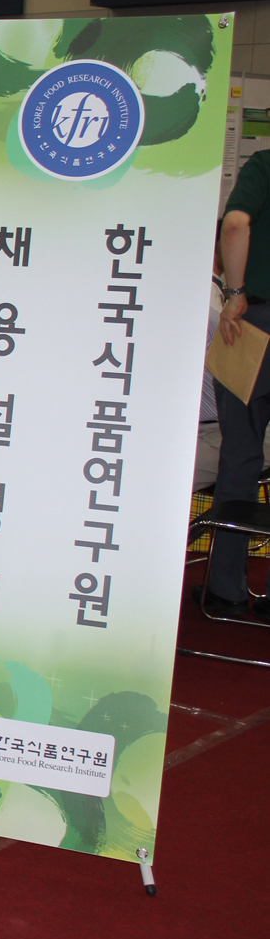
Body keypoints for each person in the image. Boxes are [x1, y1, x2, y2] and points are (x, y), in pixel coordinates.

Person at [202, 151, 270, 622]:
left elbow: (236, 224)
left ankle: (226, 586)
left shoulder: (264, 165)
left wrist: (235, 292)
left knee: (241, 455)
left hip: (254, 325)